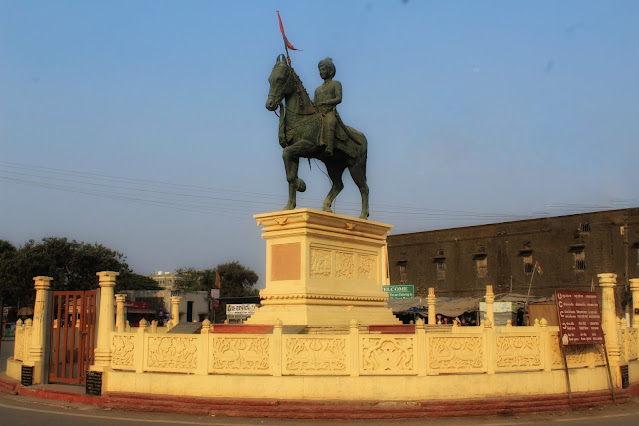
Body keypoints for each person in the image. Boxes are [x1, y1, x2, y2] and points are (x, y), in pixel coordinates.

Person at [313, 57, 342, 156]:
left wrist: (325, 102)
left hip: (329, 112)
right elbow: (315, 103)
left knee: (330, 121)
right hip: (319, 113)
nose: (321, 72)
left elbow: (338, 98)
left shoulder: (336, 84)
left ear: (330, 71)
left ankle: (329, 146)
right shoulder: (318, 89)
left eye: (324, 69)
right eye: (320, 70)